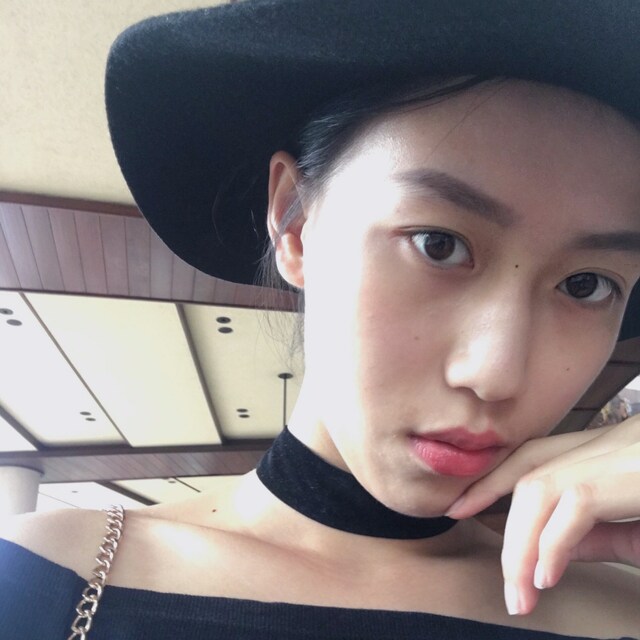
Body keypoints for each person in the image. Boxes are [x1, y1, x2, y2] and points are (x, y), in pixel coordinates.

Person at [1, 1, 640, 638]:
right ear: (296, 223)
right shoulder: (41, 582)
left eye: (586, 285)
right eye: (438, 244)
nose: (495, 375)